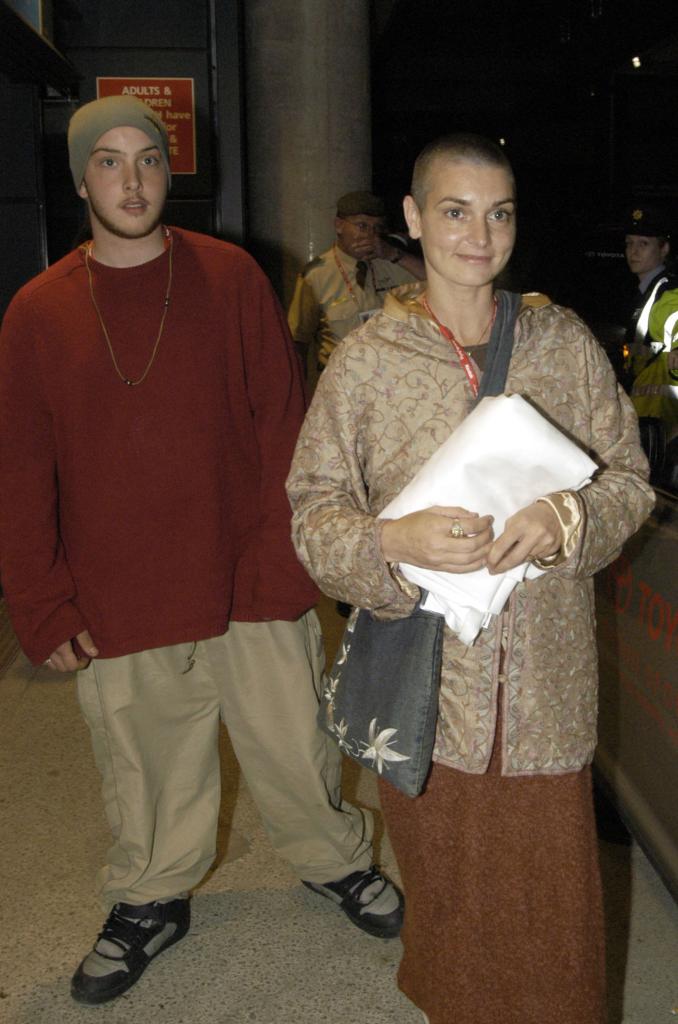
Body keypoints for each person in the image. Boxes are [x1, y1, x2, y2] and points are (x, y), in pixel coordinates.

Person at [0, 95, 403, 1007]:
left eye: (148, 158)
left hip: (246, 572)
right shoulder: (35, 312)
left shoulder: (228, 278)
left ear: (168, 173)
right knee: (144, 763)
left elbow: (282, 430)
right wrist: (41, 602)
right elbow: (21, 472)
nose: (132, 178)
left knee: (295, 743)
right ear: (80, 180)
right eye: (109, 161)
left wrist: (286, 562)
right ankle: (150, 897)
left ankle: (332, 861)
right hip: (119, 589)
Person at [286, 133, 655, 1024]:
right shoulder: (371, 360)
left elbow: (629, 483)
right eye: (455, 212)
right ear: (414, 219)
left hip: (545, 697)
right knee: (452, 926)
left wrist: (565, 519)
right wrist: (391, 539)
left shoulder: (560, 342)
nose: (478, 236)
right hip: (428, 693)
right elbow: (311, 510)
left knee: (556, 932)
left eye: (498, 214)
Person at [287, 190, 424, 381]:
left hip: (390, 380)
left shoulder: (391, 261)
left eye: (377, 228)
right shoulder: (317, 275)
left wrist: (394, 254)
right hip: (341, 382)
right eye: (362, 226)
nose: (370, 235)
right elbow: (298, 341)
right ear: (339, 226)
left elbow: (438, 284)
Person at [623, 204, 676, 387]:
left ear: (664, 249)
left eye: (643, 243)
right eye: (629, 243)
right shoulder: (645, 291)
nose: (633, 251)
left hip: (663, 410)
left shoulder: (668, 291)